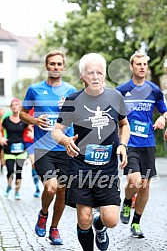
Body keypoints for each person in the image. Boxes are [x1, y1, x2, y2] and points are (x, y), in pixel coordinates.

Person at [51, 52, 130, 251]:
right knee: (84, 218)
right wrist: (65, 140)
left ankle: (100, 226)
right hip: (80, 166)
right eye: (90, 73)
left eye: (99, 72)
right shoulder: (73, 100)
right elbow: (56, 131)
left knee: (111, 220)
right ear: (82, 77)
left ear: (104, 75)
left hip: (107, 167)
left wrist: (122, 144)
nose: (95, 76)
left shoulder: (115, 96)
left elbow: (124, 124)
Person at [19, 50, 76, 245]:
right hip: (43, 148)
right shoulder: (34, 89)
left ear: (63, 66)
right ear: (46, 66)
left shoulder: (70, 91)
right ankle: (43, 214)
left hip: (65, 148)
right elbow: (22, 114)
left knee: (62, 191)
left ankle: (54, 228)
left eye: (59, 64)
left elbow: (80, 117)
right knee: (50, 187)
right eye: (52, 64)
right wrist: (34, 120)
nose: (56, 67)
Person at [116, 52, 167, 238]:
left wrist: (162, 118)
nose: (142, 67)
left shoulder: (154, 90)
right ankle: (128, 200)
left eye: (145, 64)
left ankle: (136, 223)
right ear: (131, 67)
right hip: (129, 143)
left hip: (148, 142)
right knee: (135, 181)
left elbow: (165, 111)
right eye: (138, 64)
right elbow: (113, 117)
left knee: (145, 185)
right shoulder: (121, 91)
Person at [0, 99, 28, 199]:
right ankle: (9, 186)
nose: (15, 106)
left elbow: (31, 129)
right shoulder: (6, 120)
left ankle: (17, 192)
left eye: (16, 105)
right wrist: (1, 138)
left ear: (20, 106)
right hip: (9, 149)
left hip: (21, 150)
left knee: (19, 172)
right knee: (10, 171)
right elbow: (1, 130)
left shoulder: (24, 120)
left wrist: (32, 133)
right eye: (13, 105)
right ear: (11, 107)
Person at [23, 107, 40, 197]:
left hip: (41, 141)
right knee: (33, 162)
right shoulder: (26, 109)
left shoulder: (42, 107)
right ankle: (37, 186)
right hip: (29, 141)